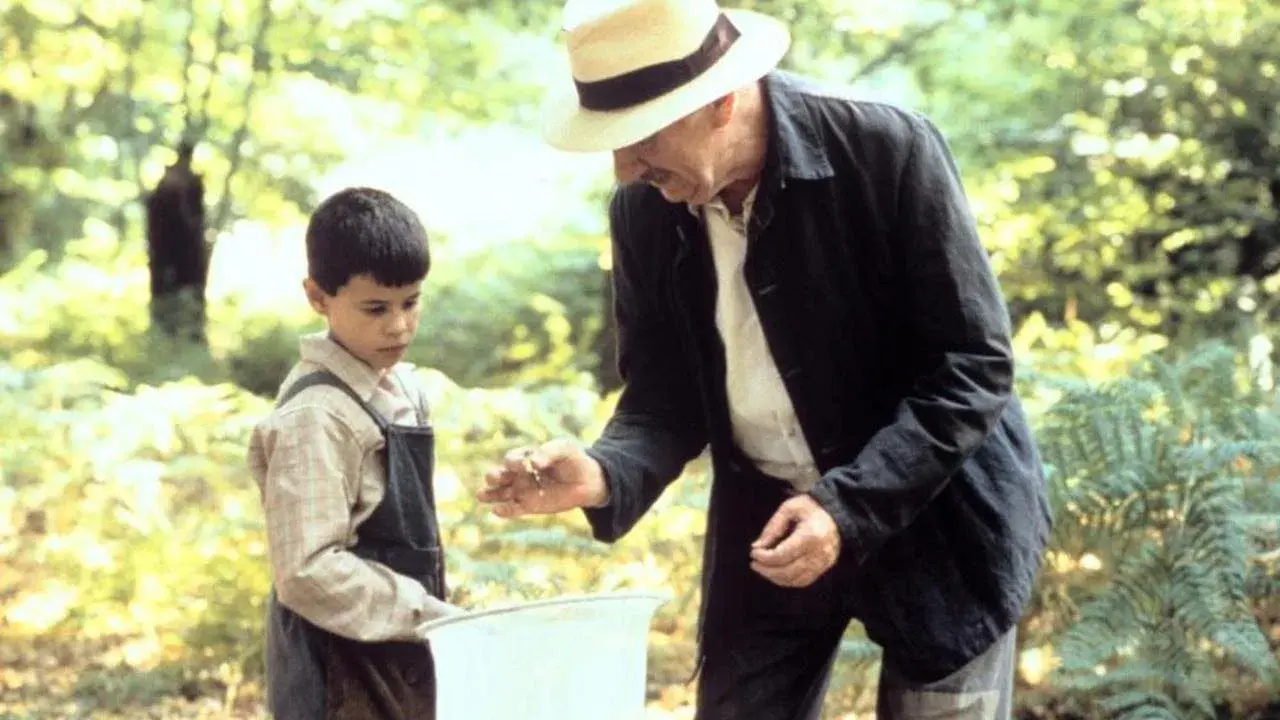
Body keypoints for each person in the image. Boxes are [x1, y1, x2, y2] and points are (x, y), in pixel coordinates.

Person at [477, 0, 1052, 717]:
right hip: (766, 524)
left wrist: (845, 507)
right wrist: (603, 471)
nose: (624, 168)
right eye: (611, 141)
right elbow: (663, 393)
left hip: (936, 516)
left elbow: (973, 364)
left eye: (641, 135)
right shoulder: (643, 209)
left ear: (720, 100)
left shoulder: (886, 149)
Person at [248, 187, 464, 720]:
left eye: (411, 302)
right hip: (338, 675)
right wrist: (428, 615)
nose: (399, 326)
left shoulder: (400, 390)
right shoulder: (316, 416)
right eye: (375, 308)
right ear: (318, 297)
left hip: (398, 659)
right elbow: (307, 569)